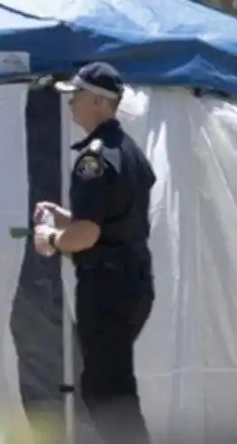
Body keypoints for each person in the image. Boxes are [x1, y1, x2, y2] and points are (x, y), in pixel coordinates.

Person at [33, 62, 155, 444]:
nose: (71, 103)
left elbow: (87, 235)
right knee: (110, 387)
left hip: (107, 287)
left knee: (107, 394)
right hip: (131, 282)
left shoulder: (94, 158)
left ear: (100, 102)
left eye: (78, 95)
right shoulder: (128, 150)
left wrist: (51, 239)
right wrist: (65, 217)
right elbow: (109, 222)